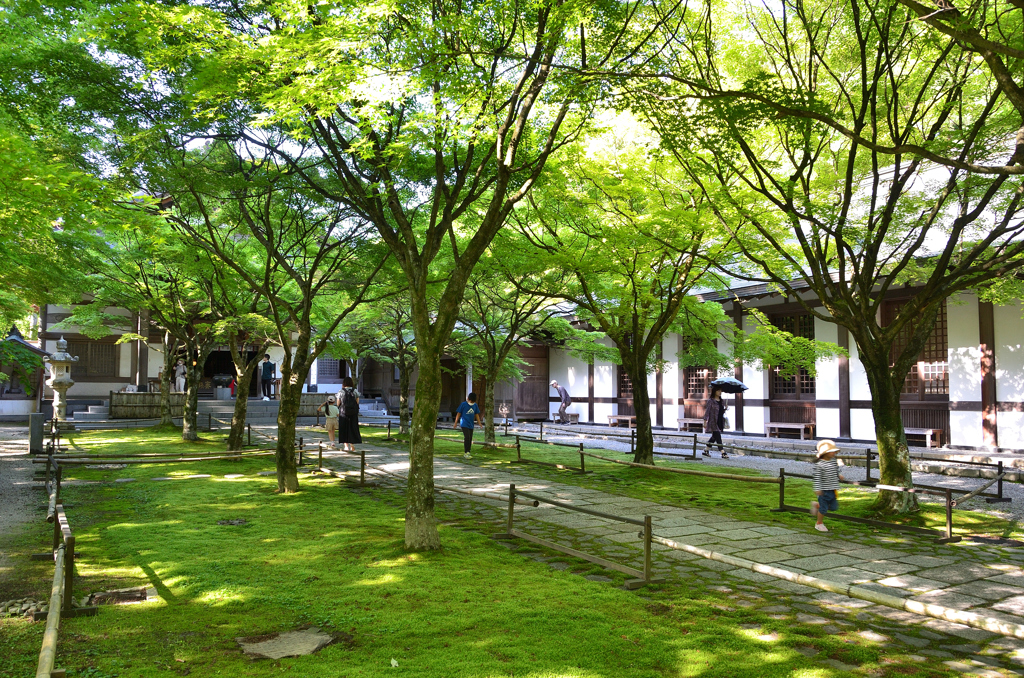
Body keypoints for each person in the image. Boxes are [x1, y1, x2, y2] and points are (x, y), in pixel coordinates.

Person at [810, 439, 844, 532]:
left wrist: (838, 475)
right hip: (823, 490)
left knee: (834, 507)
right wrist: (817, 489)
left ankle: (817, 505)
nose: (833, 453)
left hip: (832, 488)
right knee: (824, 509)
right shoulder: (820, 465)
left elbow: (835, 470)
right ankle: (819, 523)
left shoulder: (833, 461)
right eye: (831, 452)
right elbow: (817, 477)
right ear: (825, 453)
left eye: (834, 452)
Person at [454, 392, 483, 459]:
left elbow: (476, 414)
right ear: (468, 399)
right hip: (464, 423)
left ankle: (468, 451)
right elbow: (458, 414)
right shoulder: (463, 404)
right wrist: (455, 423)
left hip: (471, 424)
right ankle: (466, 452)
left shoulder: (475, 405)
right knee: (467, 437)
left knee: (470, 438)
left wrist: (479, 423)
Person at [702, 385, 729, 459]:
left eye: (721, 391)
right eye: (718, 391)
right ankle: (723, 452)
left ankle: (706, 450)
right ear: (715, 391)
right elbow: (707, 411)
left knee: (714, 436)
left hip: (719, 420)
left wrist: (725, 409)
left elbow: (720, 412)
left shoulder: (721, 401)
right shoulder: (711, 401)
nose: (720, 392)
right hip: (713, 421)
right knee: (717, 435)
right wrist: (705, 421)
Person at [336, 377, 362, 452]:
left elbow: (338, 403)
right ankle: (352, 445)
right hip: (353, 413)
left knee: (344, 428)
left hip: (343, 413)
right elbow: (357, 403)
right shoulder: (355, 391)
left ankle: (346, 446)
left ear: (344, 383)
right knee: (352, 428)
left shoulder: (341, 391)